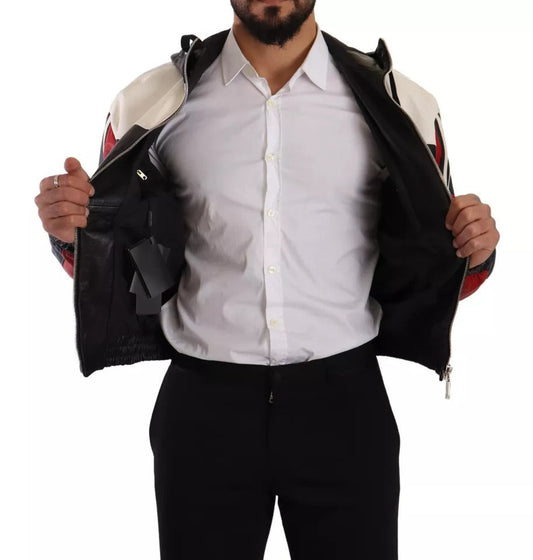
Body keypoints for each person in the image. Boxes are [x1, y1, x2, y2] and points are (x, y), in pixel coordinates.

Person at [34, 1, 500, 558]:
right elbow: (119, 247)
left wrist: (476, 251)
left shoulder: (401, 104)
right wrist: (72, 233)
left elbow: (441, 255)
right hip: (203, 411)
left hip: (345, 409)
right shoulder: (151, 102)